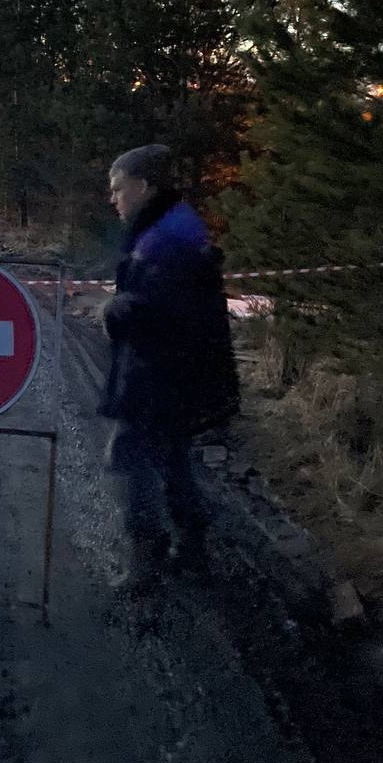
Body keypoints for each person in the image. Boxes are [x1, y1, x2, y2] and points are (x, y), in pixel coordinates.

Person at [99, 144, 239, 594]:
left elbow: (155, 314)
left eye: (118, 189)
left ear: (143, 186)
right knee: (172, 459)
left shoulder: (162, 243)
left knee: (127, 460)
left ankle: (145, 562)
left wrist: (112, 310)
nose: (113, 199)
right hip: (179, 376)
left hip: (157, 378)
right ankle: (192, 551)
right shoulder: (173, 227)